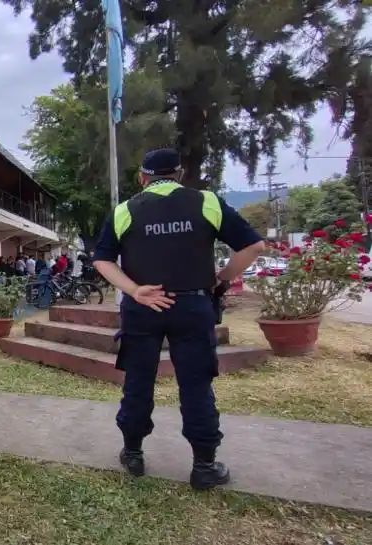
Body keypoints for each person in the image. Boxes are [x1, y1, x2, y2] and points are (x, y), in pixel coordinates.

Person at [92, 148, 265, 491]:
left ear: (143, 178)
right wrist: (221, 277)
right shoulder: (207, 202)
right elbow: (253, 247)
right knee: (196, 385)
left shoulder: (125, 210)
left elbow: (102, 259)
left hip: (143, 308)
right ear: (180, 174)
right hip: (193, 306)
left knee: (138, 380)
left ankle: (133, 453)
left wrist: (135, 290)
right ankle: (204, 466)